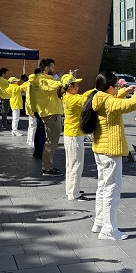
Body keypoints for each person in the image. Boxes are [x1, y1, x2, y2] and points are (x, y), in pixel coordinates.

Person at [87, 72, 136, 240]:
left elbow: (114, 100)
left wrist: (125, 91)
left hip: (100, 149)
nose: (118, 89)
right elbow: (130, 105)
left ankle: (99, 222)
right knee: (112, 189)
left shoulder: (98, 97)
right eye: (117, 87)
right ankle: (109, 229)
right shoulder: (108, 102)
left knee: (102, 187)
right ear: (110, 88)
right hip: (110, 151)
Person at [60, 73, 94, 201]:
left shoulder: (66, 97)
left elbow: (83, 96)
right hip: (74, 135)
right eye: (76, 84)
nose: (78, 86)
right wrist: (97, 89)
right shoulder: (73, 99)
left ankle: (71, 189)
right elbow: (85, 98)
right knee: (76, 165)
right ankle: (74, 193)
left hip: (70, 134)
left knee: (71, 165)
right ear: (70, 87)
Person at [37, 59, 64, 175]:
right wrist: (65, 80)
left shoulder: (43, 79)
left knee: (51, 142)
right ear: (47, 68)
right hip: (51, 114)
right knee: (51, 142)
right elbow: (53, 85)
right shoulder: (43, 80)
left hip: (51, 113)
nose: (54, 70)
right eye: (52, 68)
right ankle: (47, 168)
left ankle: (48, 165)